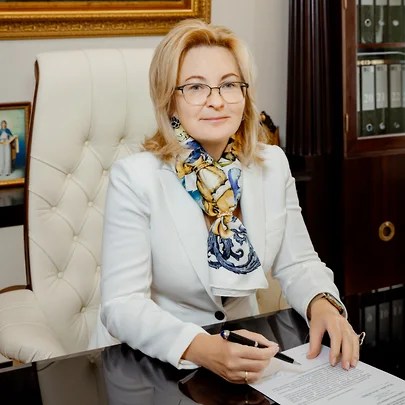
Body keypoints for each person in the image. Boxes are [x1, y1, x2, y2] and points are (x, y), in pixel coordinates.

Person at [94, 19, 361, 384]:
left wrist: (323, 304)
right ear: (169, 100)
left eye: (230, 84)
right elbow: (122, 305)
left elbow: (298, 262)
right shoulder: (135, 177)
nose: (217, 100)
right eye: (195, 87)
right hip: (153, 365)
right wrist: (201, 347)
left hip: (249, 352)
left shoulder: (271, 164)